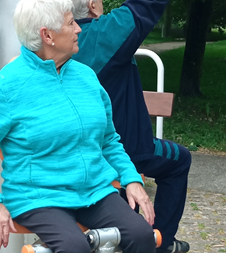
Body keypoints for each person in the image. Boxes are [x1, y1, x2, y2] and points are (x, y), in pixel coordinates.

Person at [0, 0, 157, 252]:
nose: (79, 29)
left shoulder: (86, 77)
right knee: (74, 247)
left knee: (142, 234)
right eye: (71, 23)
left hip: (94, 191)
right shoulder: (7, 85)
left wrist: (131, 178)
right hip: (38, 198)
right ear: (47, 35)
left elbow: (108, 140)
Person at [71, 0, 192, 252]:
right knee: (180, 159)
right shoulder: (102, 34)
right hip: (123, 149)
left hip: (73, 151)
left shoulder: (50, 42)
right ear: (93, 5)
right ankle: (161, 242)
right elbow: (145, 6)